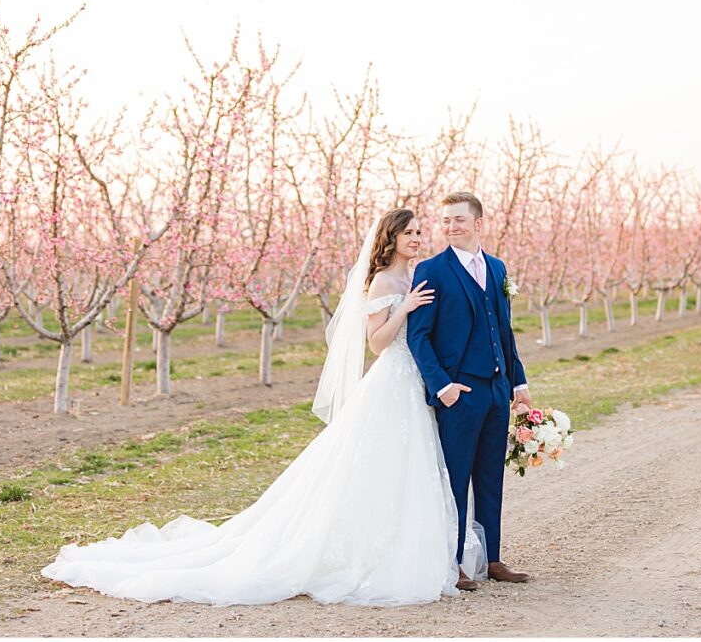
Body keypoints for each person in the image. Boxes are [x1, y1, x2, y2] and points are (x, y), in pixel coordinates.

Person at [40, 208, 483, 606]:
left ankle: (405, 546)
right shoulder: (386, 281)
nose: (418, 238)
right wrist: (403, 309)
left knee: (405, 468)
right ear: (390, 238)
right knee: (374, 464)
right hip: (391, 379)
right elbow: (376, 342)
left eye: (420, 232)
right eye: (410, 233)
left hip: (413, 384)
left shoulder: (414, 275)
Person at [407, 191, 532, 591]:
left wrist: (519, 383)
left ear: (479, 223)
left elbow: (505, 330)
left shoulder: (497, 268)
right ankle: (455, 562)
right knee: (456, 480)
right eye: (445, 220)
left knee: (491, 478)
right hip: (458, 394)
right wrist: (442, 386)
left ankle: (492, 559)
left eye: (459, 219)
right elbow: (419, 337)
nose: (450, 226)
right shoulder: (432, 270)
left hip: (496, 391)